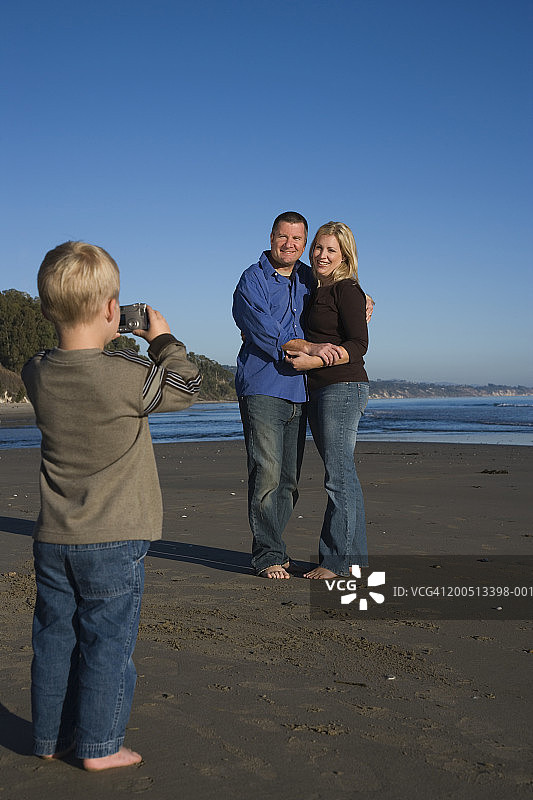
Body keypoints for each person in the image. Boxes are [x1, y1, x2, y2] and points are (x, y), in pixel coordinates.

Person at [22, 241, 201, 771]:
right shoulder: (125, 377)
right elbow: (185, 388)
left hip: (55, 536)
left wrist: (108, 332)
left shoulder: (37, 372)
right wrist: (161, 338)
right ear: (109, 310)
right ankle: (100, 746)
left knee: (55, 640)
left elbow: (69, 357)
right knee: (107, 643)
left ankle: (51, 737)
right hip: (115, 537)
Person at [232, 213, 373, 579]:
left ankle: (324, 557)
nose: (290, 245)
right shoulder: (252, 280)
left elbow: (344, 291)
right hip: (263, 388)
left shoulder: (308, 278)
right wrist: (310, 347)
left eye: (298, 239)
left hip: (303, 392)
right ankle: (268, 556)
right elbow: (268, 333)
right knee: (266, 473)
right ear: (272, 237)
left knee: (289, 481)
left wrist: (365, 300)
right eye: (284, 237)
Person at [283, 221, 369, 579]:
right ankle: (354, 561)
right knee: (343, 475)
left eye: (331, 250)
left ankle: (336, 562)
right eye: (318, 247)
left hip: (342, 387)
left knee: (338, 477)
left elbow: (358, 345)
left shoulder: (346, 289)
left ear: (344, 255)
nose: (321, 255)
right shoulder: (317, 289)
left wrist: (312, 361)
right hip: (318, 389)